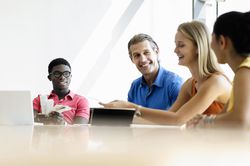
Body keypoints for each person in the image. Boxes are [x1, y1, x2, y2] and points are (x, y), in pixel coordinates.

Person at [100, 21, 231, 126]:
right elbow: (168, 119)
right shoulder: (189, 84)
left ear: (198, 47)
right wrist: (116, 118)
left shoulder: (215, 82)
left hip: (228, 151)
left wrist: (131, 107)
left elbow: (178, 120)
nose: (175, 50)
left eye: (181, 45)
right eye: (176, 45)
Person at [188, 11, 250, 128]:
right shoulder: (241, 75)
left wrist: (205, 122)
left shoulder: (245, 71)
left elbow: (241, 120)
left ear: (222, 42)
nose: (210, 46)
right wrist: (206, 119)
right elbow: (225, 115)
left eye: (212, 38)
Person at [126, 33, 183, 110]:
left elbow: (179, 119)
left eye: (146, 53)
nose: (143, 60)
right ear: (132, 59)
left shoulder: (174, 83)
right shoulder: (134, 86)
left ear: (156, 52)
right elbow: (130, 118)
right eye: (137, 55)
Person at [33, 58, 90, 125]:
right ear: (50, 77)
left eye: (66, 73)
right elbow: (28, 123)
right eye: (57, 74)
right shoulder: (39, 100)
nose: (62, 77)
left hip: (68, 135)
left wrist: (63, 124)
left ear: (70, 76)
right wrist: (38, 120)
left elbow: (80, 129)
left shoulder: (81, 101)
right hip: (43, 134)